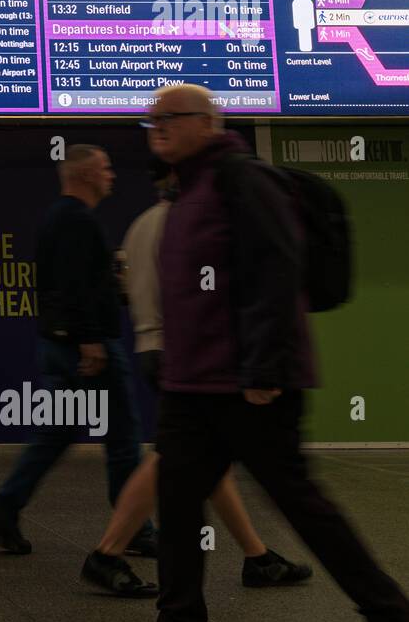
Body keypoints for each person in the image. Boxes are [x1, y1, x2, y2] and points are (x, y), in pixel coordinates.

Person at [141, 83, 409, 622]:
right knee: (179, 502)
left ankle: (388, 612)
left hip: (250, 383)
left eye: (171, 118)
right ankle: (179, 621)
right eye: (151, 121)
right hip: (193, 387)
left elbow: (276, 272)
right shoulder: (186, 193)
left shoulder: (243, 178)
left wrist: (264, 368)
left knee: (299, 502)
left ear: (208, 123)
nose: (157, 128)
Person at [81, 159, 311, 598]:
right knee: (175, 453)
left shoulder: (141, 225)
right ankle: (106, 553)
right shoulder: (184, 223)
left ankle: (257, 556)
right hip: (184, 353)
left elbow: (129, 290)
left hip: (154, 347)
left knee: (209, 456)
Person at [0, 144, 152, 555]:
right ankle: (136, 529)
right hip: (89, 349)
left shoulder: (58, 218)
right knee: (123, 437)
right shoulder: (77, 220)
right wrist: (91, 340)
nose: (112, 175)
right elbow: (73, 287)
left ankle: (5, 506)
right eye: (105, 168)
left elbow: (67, 285)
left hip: (58, 345)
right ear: (86, 174)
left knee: (56, 432)